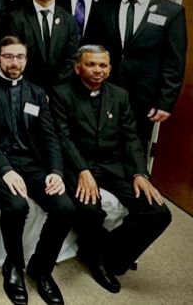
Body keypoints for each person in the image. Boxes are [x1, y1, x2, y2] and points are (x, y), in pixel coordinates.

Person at [50, 45, 172, 294]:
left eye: (103, 65)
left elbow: (131, 138)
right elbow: (63, 138)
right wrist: (83, 170)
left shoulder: (120, 95)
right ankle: (96, 260)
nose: (97, 70)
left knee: (158, 212)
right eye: (91, 64)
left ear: (109, 69)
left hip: (113, 166)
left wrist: (140, 173)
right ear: (77, 67)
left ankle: (108, 255)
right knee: (90, 210)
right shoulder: (61, 93)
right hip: (78, 166)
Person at [0, 36, 75, 305]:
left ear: (26, 60)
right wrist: (5, 169)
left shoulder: (36, 92)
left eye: (19, 56)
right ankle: (14, 266)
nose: (14, 62)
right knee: (17, 207)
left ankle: (41, 269)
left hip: (31, 165)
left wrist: (55, 170)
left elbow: (49, 136)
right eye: (8, 56)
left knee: (65, 208)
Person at [88, 0, 187, 148]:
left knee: (134, 150)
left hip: (144, 99)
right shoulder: (104, 7)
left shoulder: (171, 12)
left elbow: (174, 62)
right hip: (104, 91)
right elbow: (91, 48)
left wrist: (165, 102)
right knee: (97, 146)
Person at [6, 0, 79, 92]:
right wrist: (34, 92)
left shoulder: (69, 20)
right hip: (25, 90)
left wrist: (55, 90)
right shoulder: (16, 18)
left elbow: (71, 59)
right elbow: (14, 57)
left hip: (60, 92)